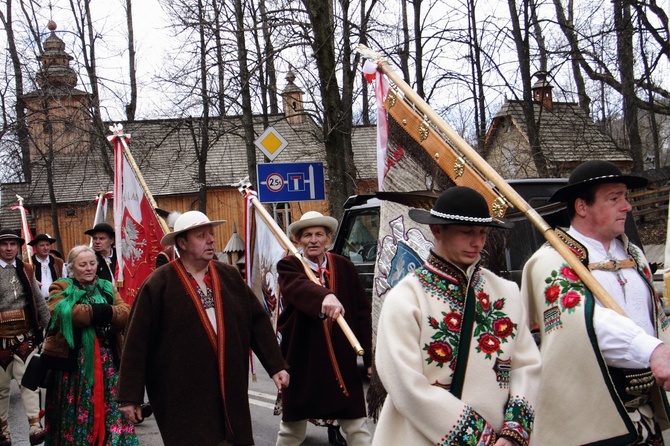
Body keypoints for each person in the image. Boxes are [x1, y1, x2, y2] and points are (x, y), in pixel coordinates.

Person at [373, 186, 541, 446]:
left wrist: (512, 432)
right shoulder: (406, 298)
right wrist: (480, 439)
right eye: (466, 233)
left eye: (483, 233)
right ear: (437, 230)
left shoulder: (506, 293)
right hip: (419, 438)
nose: (477, 243)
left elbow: (527, 367)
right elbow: (405, 385)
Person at [521, 160, 670, 445]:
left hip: (645, 416)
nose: (626, 206)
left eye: (625, 197)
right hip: (589, 421)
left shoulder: (635, 256)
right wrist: (653, 351)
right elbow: (584, 325)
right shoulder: (551, 261)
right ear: (581, 207)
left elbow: (655, 321)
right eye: (615, 198)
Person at [115, 210, 289, 446]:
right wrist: (129, 396)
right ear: (182, 243)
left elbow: (257, 322)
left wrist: (276, 365)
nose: (211, 240)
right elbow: (137, 342)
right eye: (201, 236)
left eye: (211, 234)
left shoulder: (229, 277)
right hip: (181, 393)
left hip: (230, 388)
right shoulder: (159, 284)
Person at [275, 211, 373, 446]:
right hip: (303, 359)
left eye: (319, 234)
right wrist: (325, 296)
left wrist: (370, 358)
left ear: (329, 239)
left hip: (341, 361)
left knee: (357, 425)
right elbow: (297, 288)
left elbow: (362, 313)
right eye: (307, 235)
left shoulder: (344, 266)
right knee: (292, 429)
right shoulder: (289, 266)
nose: (314, 240)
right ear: (298, 240)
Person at [44, 245, 138, 445]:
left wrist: (108, 313)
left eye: (92, 263)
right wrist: (97, 313)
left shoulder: (106, 286)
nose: (89, 268)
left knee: (111, 407)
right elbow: (61, 312)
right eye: (83, 264)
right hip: (74, 367)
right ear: (72, 268)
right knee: (78, 409)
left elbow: (126, 312)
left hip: (107, 363)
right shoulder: (60, 287)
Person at [0, 228, 50, 446]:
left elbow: (38, 301)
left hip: (25, 336)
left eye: (13, 244)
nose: (9, 248)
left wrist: (51, 329)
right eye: (4, 244)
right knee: (0, 387)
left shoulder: (27, 270)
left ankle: (34, 426)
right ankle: (3, 431)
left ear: (18, 246)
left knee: (29, 382)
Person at [28, 233, 65, 299]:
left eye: (47, 245)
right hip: (37, 302)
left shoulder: (58, 262)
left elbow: (64, 282)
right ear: (35, 247)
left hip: (56, 300)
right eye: (42, 245)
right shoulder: (28, 263)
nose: (45, 248)